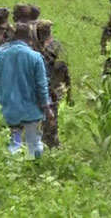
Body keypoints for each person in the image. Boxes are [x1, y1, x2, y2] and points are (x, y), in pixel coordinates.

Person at [0, 23, 54, 158]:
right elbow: (42, 87)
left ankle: (10, 166)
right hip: (31, 112)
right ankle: (32, 172)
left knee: (13, 143)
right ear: (31, 38)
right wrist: (47, 108)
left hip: (6, 110)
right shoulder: (36, 58)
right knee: (34, 146)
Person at [36, 20, 72, 149]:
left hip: (37, 90)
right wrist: (68, 93)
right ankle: (50, 144)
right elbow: (64, 71)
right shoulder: (55, 47)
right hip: (51, 90)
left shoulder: (32, 48)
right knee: (50, 119)